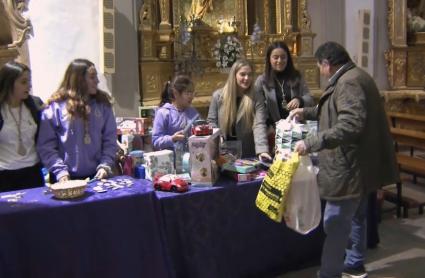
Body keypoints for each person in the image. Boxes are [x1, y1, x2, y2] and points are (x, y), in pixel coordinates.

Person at [290, 41, 399, 278]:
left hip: (350, 165)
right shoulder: (354, 76)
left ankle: (329, 273)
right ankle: (355, 263)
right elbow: (334, 108)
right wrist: (306, 112)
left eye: (320, 66)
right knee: (357, 215)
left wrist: (311, 142)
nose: (320, 71)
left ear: (327, 64)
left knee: (335, 221)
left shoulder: (348, 82)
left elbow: (350, 124)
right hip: (359, 164)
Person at [37, 59, 117, 183]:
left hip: (98, 176)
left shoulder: (103, 105)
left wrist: (105, 165)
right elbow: (46, 146)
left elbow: (110, 139)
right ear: (78, 80)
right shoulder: (55, 107)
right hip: (65, 178)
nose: (97, 81)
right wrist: (60, 172)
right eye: (92, 77)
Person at [208, 59, 271, 160]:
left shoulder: (257, 97)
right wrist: (217, 137)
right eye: (242, 74)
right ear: (234, 75)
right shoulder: (218, 96)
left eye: (250, 75)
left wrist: (262, 150)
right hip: (223, 154)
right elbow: (211, 122)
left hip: (247, 154)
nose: (246, 78)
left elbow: (259, 124)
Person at [0, 61, 45, 191]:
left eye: (29, 81)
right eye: (24, 82)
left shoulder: (35, 105)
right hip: (5, 175)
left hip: (33, 172)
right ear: (9, 83)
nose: (29, 86)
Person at [255, 40, 314, 127]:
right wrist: (268, 126)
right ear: (269, 59)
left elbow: (310, 98)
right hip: (273, 129)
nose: (280, 60)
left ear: (288, 58)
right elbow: (258, 109)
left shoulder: (297, 76)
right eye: (275, 57)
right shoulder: (262, 80)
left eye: (283, 57)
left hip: (296, 127)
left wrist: (299, 100)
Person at [152, 75, 199, 151]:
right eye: (187, 93)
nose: (191, 97)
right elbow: (155, 141)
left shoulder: (193, 112)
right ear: (176, 93)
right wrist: (172, 138)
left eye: (192, 93)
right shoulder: (164, 113)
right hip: (170, 159)